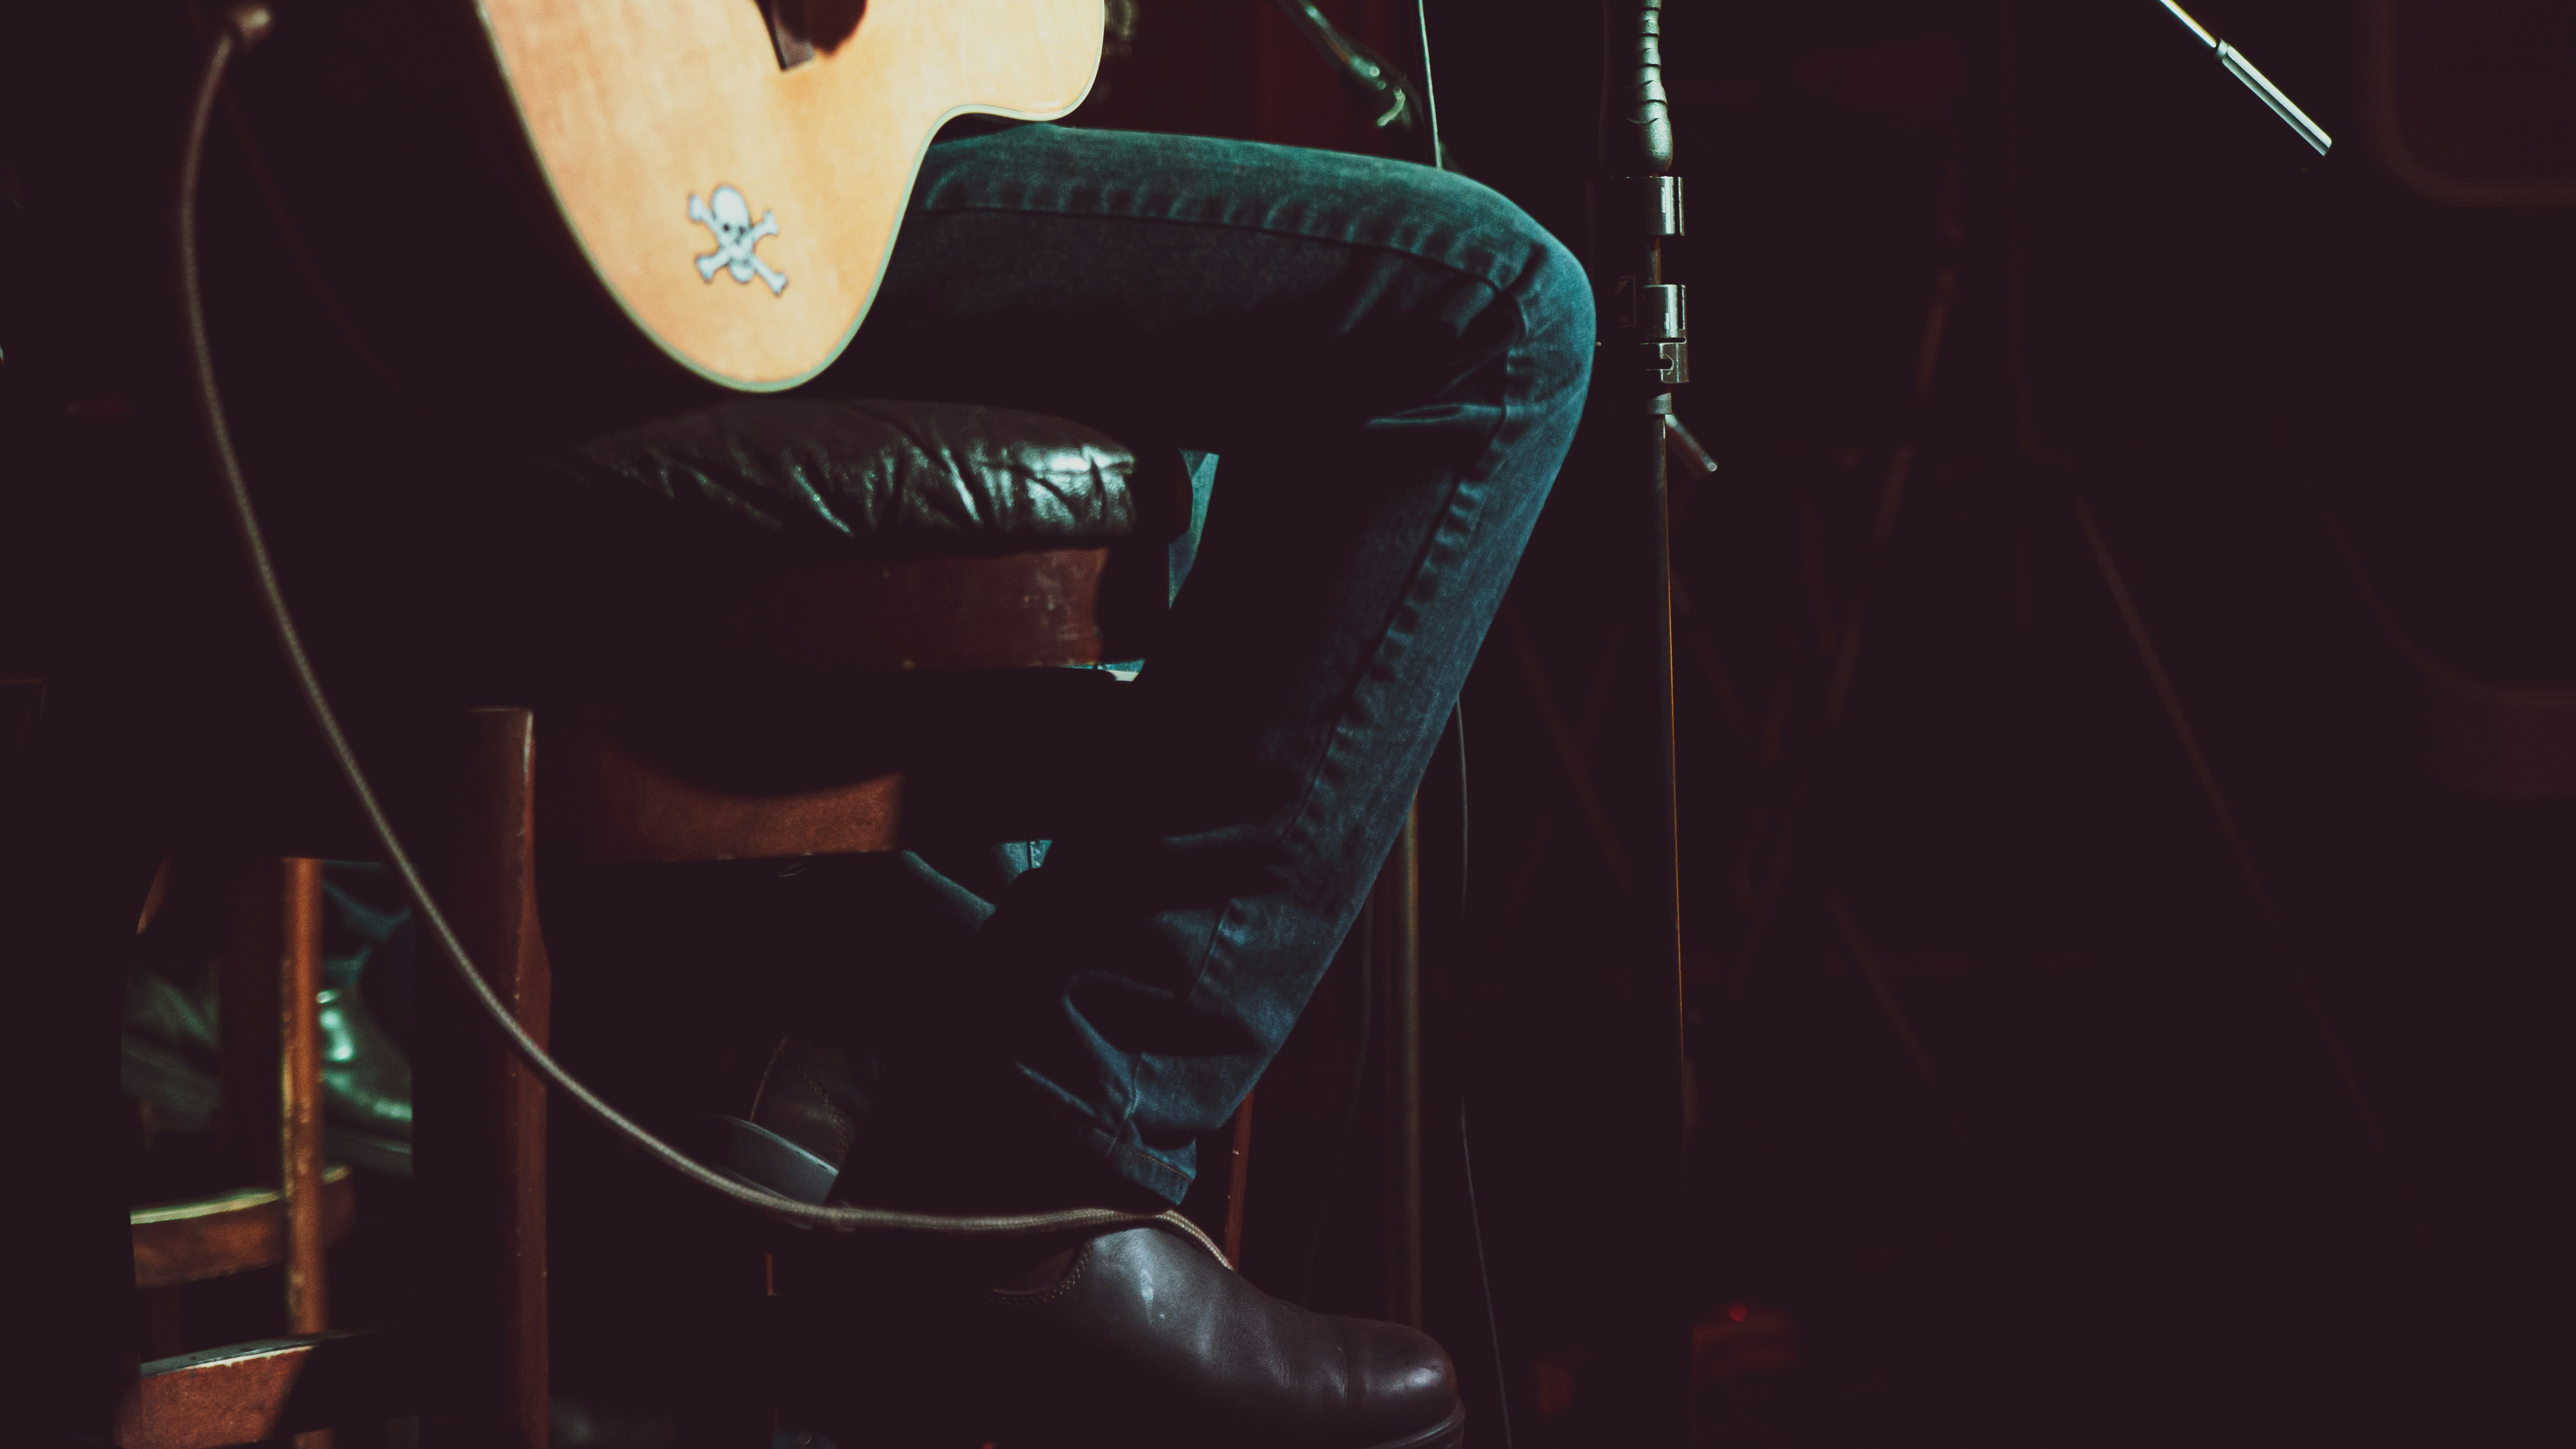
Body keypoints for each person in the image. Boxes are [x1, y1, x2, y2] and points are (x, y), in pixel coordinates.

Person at [670, 120, 1594, 1449]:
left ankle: (862, 1013)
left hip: (764, 150)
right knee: (1499, 308)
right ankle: (1032, 1173)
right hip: (688, 171)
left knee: (1212, 314)